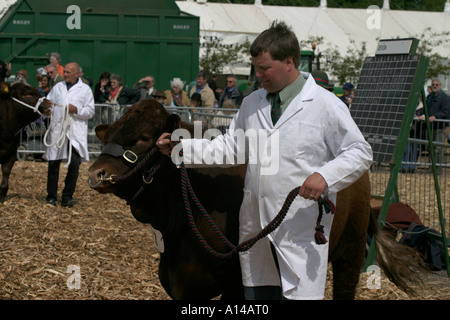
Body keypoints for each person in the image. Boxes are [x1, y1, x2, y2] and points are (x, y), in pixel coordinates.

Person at [156, 21, 372, 300]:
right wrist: (182, 148)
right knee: (259, 295)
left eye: (265, 68)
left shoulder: (325, 105)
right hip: (256, 227)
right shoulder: (253, 102)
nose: (258, 75)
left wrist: (325, 176)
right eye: (256, 67)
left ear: (289, 62)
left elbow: (359, 151)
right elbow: (230, 148)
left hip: (298, 225)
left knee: (299, 293)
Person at [43, 62, 95, 207]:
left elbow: (90, 112)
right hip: (58, 130)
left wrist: (76, 109)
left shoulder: (85, 90)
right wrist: (47, 110)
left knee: (74, 165)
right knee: (53, 163)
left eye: (68, 72)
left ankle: (67, 196)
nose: (65, 74)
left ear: (77, 74)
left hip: (75, 132)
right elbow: (48, 103)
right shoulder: (57, 87)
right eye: (64, 72)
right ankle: (51, 196)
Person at [416, 78, 450, 172]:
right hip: (430, 127)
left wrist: (435, 116)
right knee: (430, 148)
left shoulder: (445, 98)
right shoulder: (430, 97)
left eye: (436, 84)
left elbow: (446, 111)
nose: (435, 86)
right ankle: (431, 167)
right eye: (433, 84)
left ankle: (437, 169)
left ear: (440, 86)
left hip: (439, 127)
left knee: (438, 148)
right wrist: (419, 114)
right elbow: (425, 108)